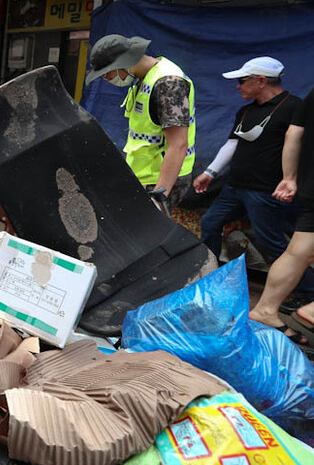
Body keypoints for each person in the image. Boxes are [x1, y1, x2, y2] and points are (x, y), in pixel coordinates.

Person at [194, 58, 314, 306]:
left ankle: (307, 292)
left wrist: (290, 181)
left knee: (272, 241)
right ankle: (209, 277)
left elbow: (301, 145)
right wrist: (210, 172)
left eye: (241, 81)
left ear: (260, 81)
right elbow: (233, 144)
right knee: (210, 222)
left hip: (266, 190)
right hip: (234, 186)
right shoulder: (246, 110)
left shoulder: (293, 106)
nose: (238, 87)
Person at [86, 35, 196, 215]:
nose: (105, 78)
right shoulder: (143, 78)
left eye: (107, 72)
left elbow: (178, 144)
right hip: (144, 176)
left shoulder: (168, 84)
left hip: (160, 181)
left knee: (148, 235)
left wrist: (160, 196)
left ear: (122, 63)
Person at [248, 85, 314, 349]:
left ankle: (265, 309)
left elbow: (294, 134)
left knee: (298, 252)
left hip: (311, 185)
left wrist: (289, 178)